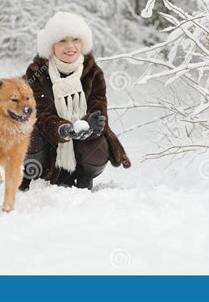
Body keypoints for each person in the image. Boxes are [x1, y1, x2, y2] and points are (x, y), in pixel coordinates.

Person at [20, 12, 131, 191]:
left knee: (98, 145)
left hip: (81, 145)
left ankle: (84, 178)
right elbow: (38, 115)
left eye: (76, 40)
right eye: (62, 40)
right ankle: (37, 179)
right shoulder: (37, 72)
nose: (70, 46)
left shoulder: (93, 72)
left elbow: (99, 109)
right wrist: (64, 129)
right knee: (29, 133)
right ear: (51, 46)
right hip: (48, 144)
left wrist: (90, 125)